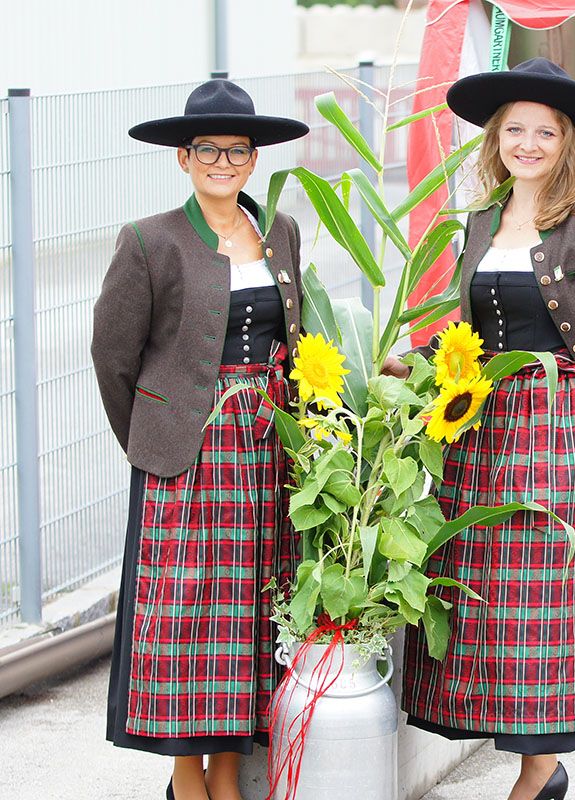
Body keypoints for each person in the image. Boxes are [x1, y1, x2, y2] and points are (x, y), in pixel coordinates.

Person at [399, 58, 575, 800]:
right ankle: (539, 771)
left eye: (545, 131)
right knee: (501, 605)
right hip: (486, 431)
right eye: (516, 129)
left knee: (562, 605)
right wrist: (410, 363)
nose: (529, 143)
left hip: (559, 430)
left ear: (567, 140)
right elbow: (471, 331)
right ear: (496, 137)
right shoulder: (481, 219)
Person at [92, 79, 309, 800]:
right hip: (187, 454)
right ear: (183, 159)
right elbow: (113, 358)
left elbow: (298, 333)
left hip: (265, 444)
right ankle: (188, 778)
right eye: (207, 149)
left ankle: (228, 776)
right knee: (186, 614)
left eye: (237, 150)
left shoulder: (279, 231)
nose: (223, 161)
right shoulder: (149, 241)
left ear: (253, 159)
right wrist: (154, 439)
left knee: (253, 600)